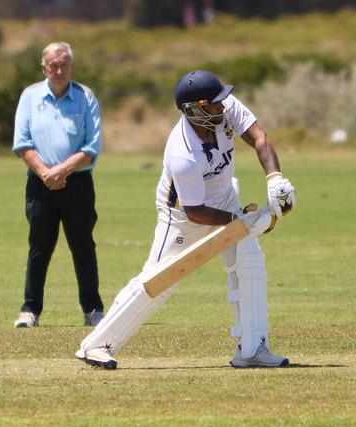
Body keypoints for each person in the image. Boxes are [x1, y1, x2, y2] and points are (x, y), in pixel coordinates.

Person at [75, 70, 296, 369]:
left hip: (224, 196)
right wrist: (239, 221)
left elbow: (259, 138)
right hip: (182, 214)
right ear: (194, 110)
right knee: (160, 280)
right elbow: (195, 211)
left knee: (249, 266)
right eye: (214, 104)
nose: (223, 106)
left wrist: (274, 178)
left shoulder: (224, 108)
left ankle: (252, 349)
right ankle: (97, 345)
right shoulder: (183, 154)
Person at [12, 42, 105, 328]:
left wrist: (62, 171)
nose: (59, 70)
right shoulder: (30, 96)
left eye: (64, 65)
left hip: (77, 183)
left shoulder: (85, 96)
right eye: (54, 65)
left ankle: (93, 310)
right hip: (40, 184)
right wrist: (46, 174)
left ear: (72, 67)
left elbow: (92, 146)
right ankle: (30, 311)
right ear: (44, 68)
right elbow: (22, 143)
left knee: (83, 247)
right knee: (39, 248)